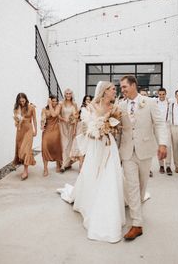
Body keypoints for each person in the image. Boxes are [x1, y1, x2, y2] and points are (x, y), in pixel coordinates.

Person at [57, 81, 125, 243]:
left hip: (109, 146)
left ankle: (110, 207)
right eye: (113, 89)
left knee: (109, 174)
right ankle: (91, 201)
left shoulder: (115, 108)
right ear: (104, 91)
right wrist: (96, 131)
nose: (115, 91)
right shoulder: (91, 107)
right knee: (94, 172)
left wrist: (110, 129)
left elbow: (117, 127)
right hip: (96, 145)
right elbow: (86, 128)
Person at [119, 75, 167, 241]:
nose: (122, 89)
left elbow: (160, 123)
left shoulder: (149, 102)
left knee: (142, 185)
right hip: (127, 152)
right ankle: (137, 224)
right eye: (121, 87)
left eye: (124, 86)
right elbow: (118, 129)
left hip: (145, 150)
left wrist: (163, 144)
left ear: (133, 85)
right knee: (132, 185)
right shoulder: (120, 105)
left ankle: (137, 207)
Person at [13, 93, 37, 180]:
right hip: (20, 131)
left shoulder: (31, 107)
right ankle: (24, 167)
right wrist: (17, 121)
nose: (22, 103)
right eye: (20, 101)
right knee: (20, 150)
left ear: (26, 99)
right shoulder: (16, 109)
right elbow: (16, 123)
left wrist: (36, 130)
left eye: (23, 101)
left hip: (29, 130)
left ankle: (25, 171)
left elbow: (34, 119)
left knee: (26, 150)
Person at [41, 95, 63, 176]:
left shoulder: (58, 107)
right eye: (52, 101)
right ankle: (45, 168)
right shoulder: (44, 109)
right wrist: (42, 124)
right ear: (49, 101)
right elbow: (43, 119)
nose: (54, 103)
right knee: (45, 147)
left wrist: (50, 104)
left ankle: (57, 165)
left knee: (56, 147)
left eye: (55, 101)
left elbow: (54, 115)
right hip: (47, 130)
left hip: (56, 130)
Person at [59, 89, 79, 173]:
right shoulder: (61, 103)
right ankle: (63, 165)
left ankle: (67, 163)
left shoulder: (74, 104)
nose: (68, 95)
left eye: (69, 93)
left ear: (71, 94)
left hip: (71, 127)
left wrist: (74, 129)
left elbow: (76, 117)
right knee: (64, 145)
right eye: (66, 93)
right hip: (63, 126)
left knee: (69, 146)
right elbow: (58, 115)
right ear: (64, 94)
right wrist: (64, 119)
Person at [154, 88, 173, 175]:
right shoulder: (154, 102)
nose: (161, 96)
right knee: (159, 146)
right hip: (157, 127)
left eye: (163, 94)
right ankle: (161, 165)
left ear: (166, 94)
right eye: (160, 94)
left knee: (168, 146)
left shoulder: (170, 102)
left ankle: (168, 166)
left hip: (167, 126)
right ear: (158, 94)